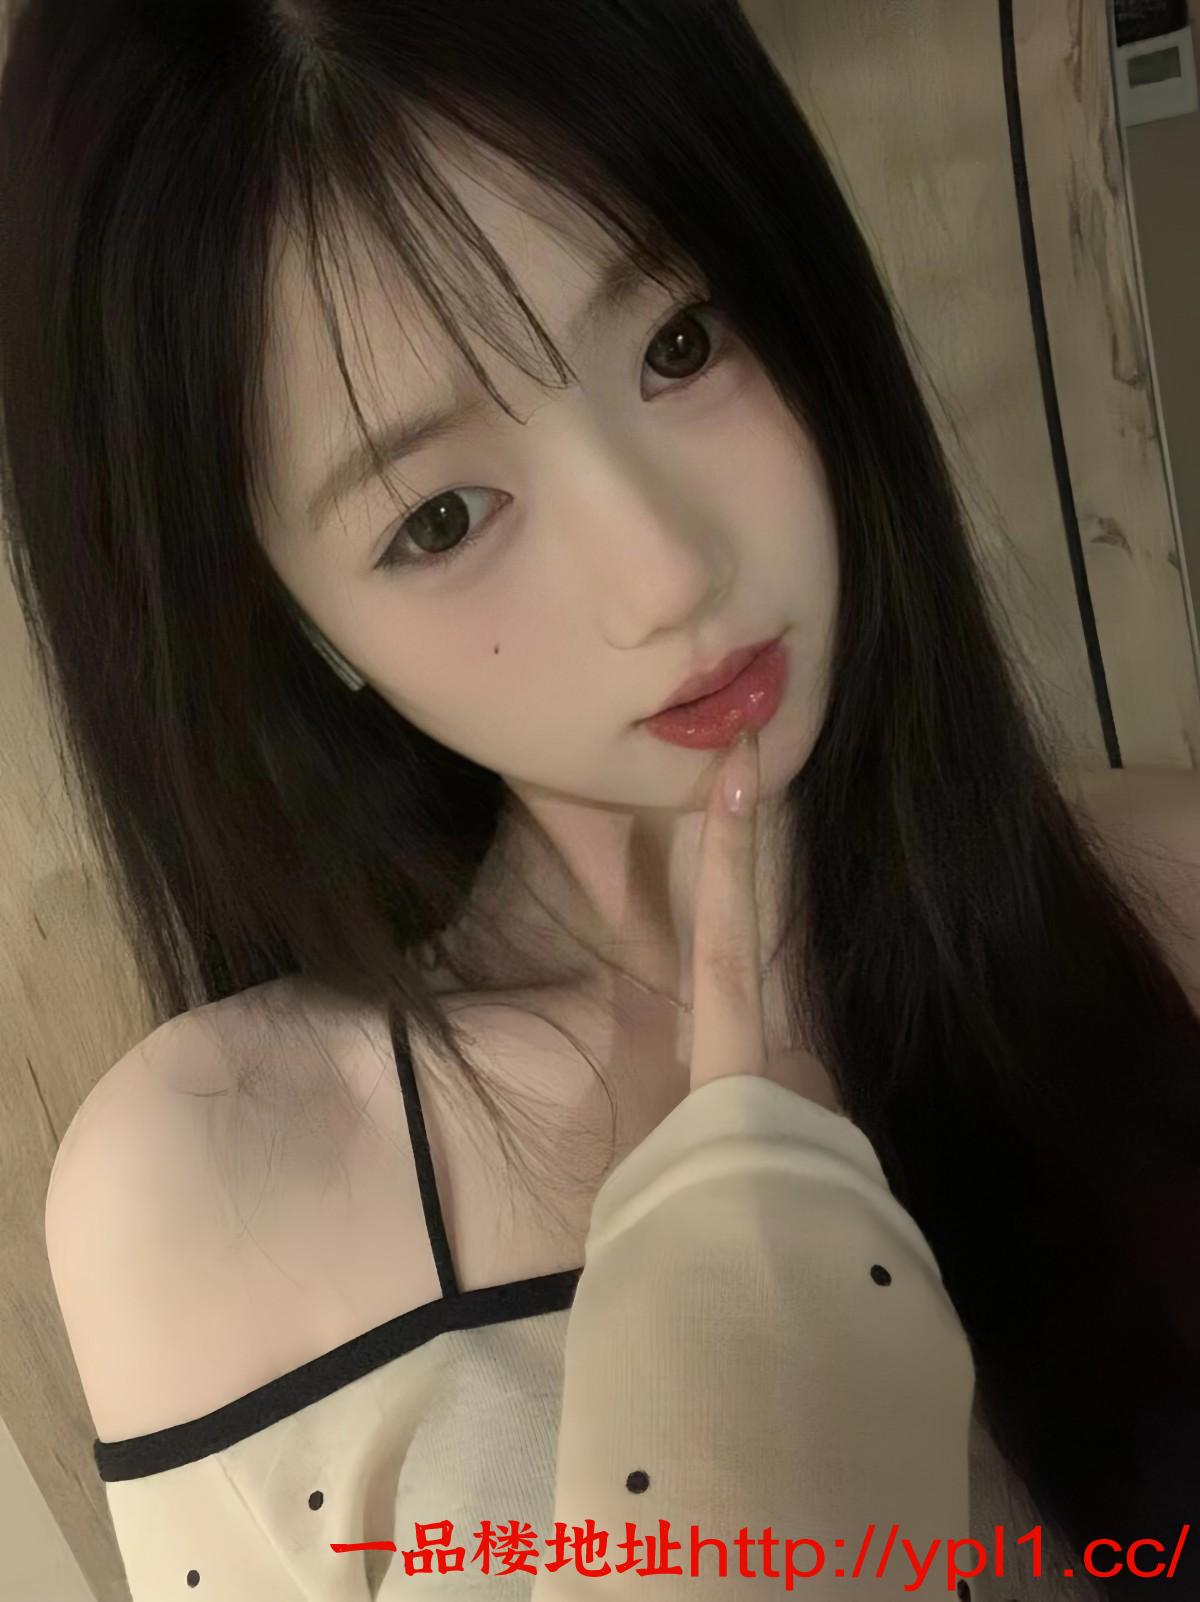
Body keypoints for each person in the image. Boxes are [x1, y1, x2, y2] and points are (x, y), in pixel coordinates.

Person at [1, 1, 1197, 1598]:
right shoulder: (215, 1191)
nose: (668, 572)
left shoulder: (1174, 900)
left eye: (681, 343)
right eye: (440, 517)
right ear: (283, 620)